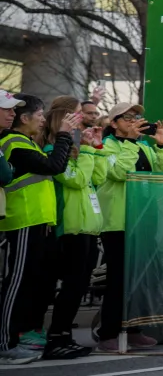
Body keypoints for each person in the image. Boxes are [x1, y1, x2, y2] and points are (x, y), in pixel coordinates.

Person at [0, 94, 79, 363]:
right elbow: (54, 166)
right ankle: (5, 343)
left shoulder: (26, 143)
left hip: (36, 222)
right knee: (16, 285)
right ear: (26, 118)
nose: (44, 120)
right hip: (22, 220)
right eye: (40, 115)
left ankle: (17, 338)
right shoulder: (12, 142)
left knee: (30, 286)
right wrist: (65, 136)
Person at [96, 102, 163, 352]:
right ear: (113, 123)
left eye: (137, 117)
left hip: (143, 220)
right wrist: (129, 141)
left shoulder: (143, 146)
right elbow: (119, 172)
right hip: (117, 222)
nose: (133, 121)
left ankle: (134, 328)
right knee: (118, 279)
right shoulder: (105, 146)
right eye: (126, 117)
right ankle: (108, 332)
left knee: (140, 278)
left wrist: (161, 146)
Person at [43, 97, 108, 360]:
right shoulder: (52, 149)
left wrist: (95, 148)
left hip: (88, 229)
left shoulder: (79, 149)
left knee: (79, 286)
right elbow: (77, 180)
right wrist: (88, 152)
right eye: (78, 114)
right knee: (70, 286)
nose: (83, 119)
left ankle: (64, 336)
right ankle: (56, 336)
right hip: (69, 229)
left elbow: (98, 178)